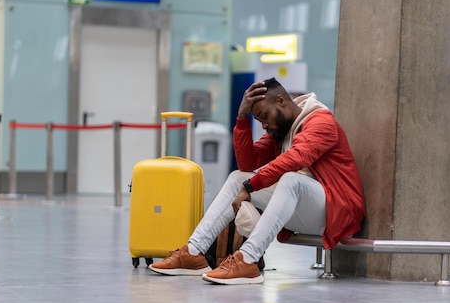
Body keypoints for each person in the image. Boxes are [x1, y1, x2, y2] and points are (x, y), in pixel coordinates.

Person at [149, 77, 365, 284]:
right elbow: (247, 165)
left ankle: (248, 260)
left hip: (337, 211)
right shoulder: (281, 132)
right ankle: (194, 253)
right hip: (306, 209)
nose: (263, 125)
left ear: (280, 101)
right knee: (237, 178)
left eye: (263, 116)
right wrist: (242, 118)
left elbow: (295, 158)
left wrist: (251, 187)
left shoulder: (321, 122)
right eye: (258, 120)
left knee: (290, 179)